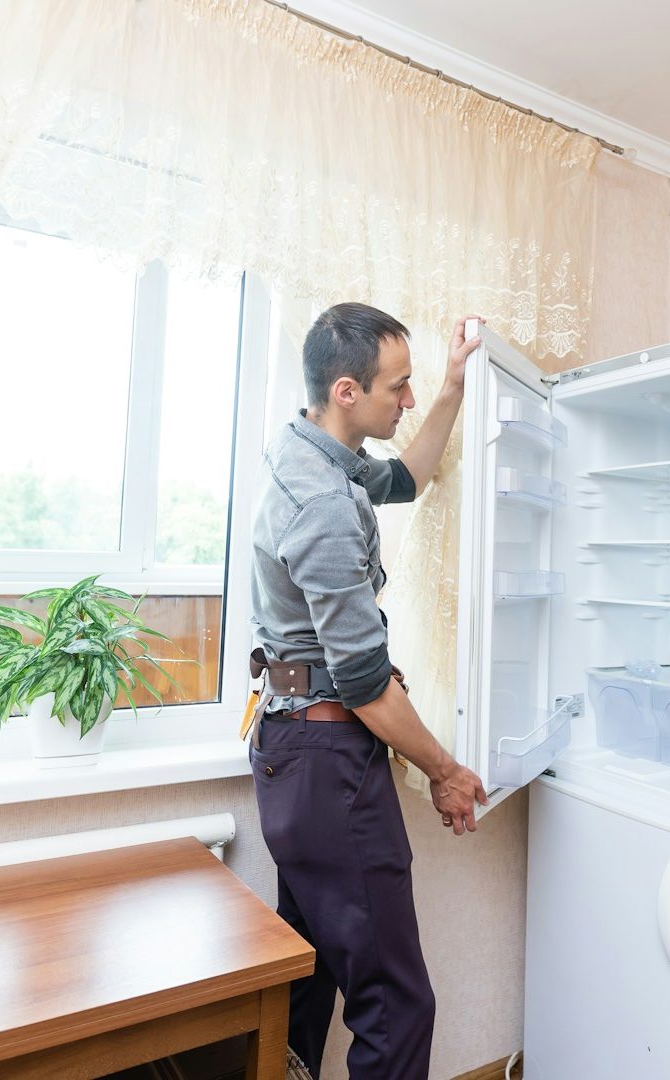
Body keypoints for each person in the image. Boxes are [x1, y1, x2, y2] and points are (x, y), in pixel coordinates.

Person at [248, 302, 488, 1080]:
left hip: (293, 747)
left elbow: (407, 478)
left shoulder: (312, 451)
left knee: (306, 977)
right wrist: (445, 771)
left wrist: (452, 387)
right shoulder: (321, 504)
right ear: (347, 391)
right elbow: (362, 684)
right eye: (398, 387)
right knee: (395, 1005)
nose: (407, 399)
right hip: (327, 759)